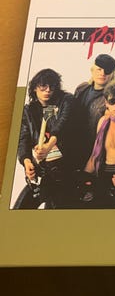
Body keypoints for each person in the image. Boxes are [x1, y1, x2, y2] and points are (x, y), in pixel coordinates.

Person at [15, 68, 75, 209]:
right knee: (20, 208)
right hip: (41, 171)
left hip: (64, 170)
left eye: (51, 86)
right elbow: (23, 139)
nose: (48, 90)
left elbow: (62, 125)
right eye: (43, 86)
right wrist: (26, 161)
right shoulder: (28, 110)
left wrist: (48, 147)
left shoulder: (66, 100)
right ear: (35, 88)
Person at [71, 53, 115, 169]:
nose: (102, 73)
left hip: (95, 151)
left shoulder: (114, 97)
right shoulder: (82, 88)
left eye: (107, 71)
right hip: (74, 146)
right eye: (99, 69)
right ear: (92, 70)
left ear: (112, 74)